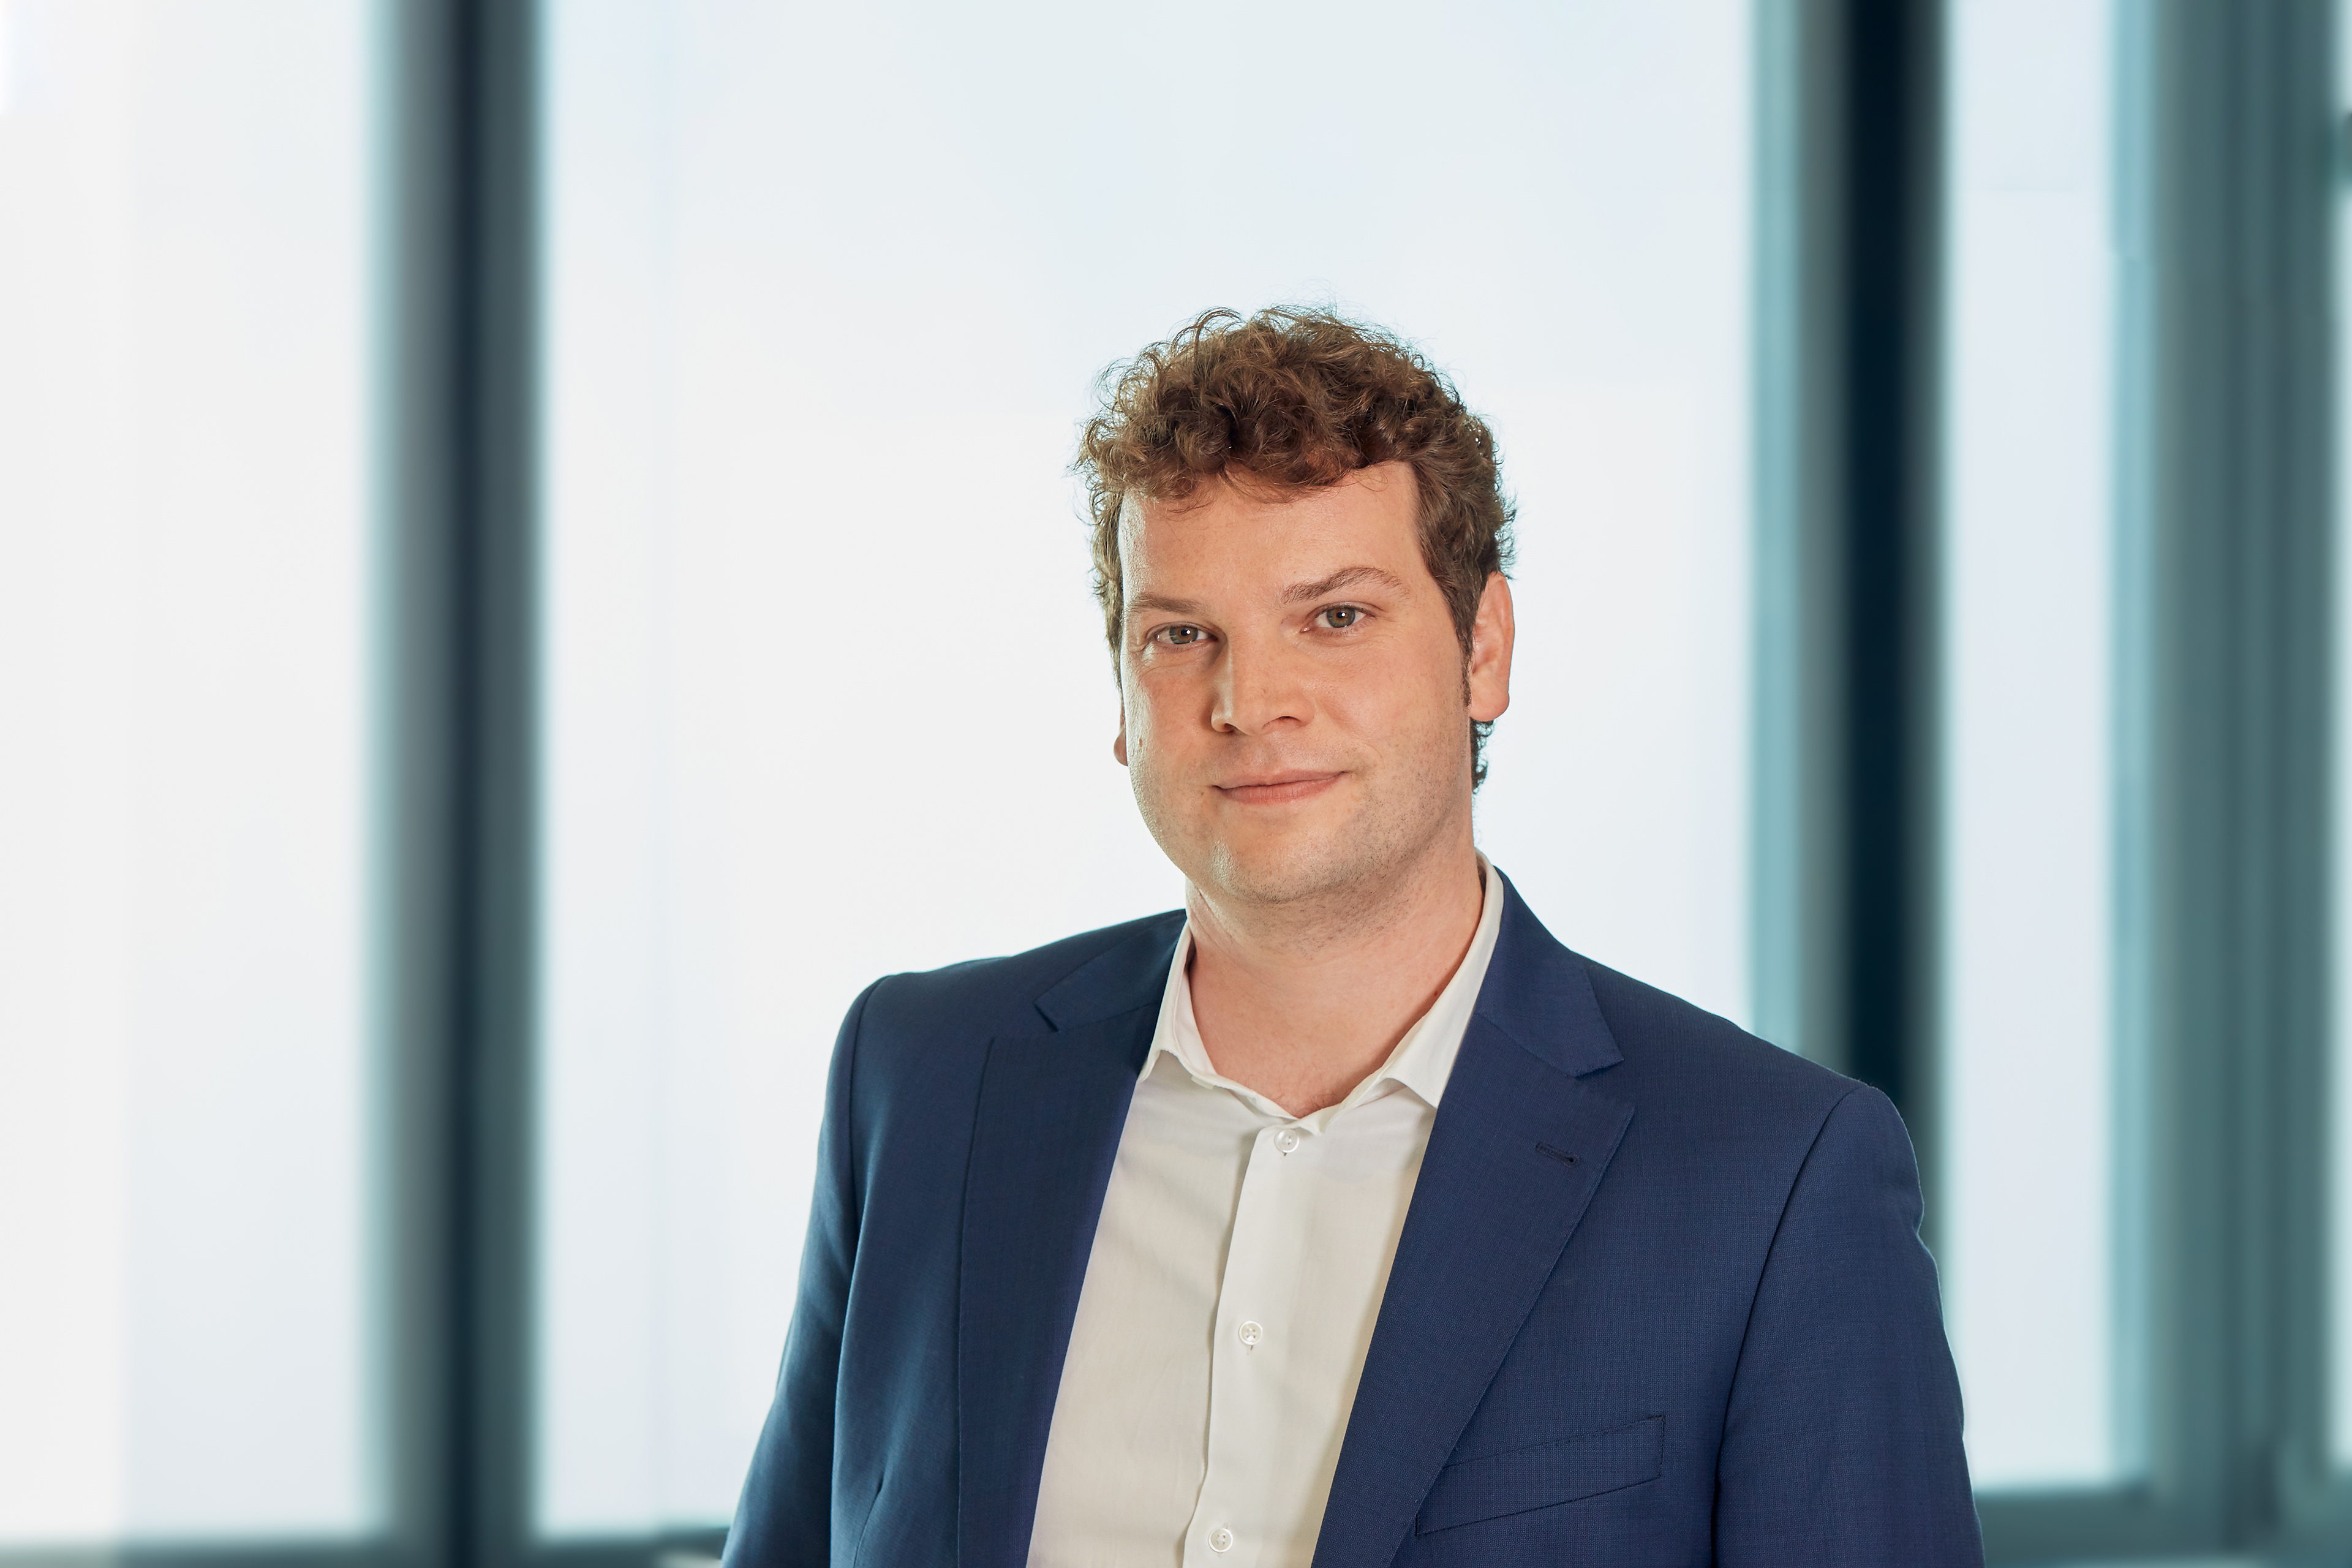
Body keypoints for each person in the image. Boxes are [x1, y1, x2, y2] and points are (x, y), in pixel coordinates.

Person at [720, 307, 1980, 1566]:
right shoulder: (923, 1083)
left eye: (1335, 617)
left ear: (1483, 649)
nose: (1250, 701)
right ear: (1120, 690)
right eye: (1182, 635)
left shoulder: (1771, 1179)